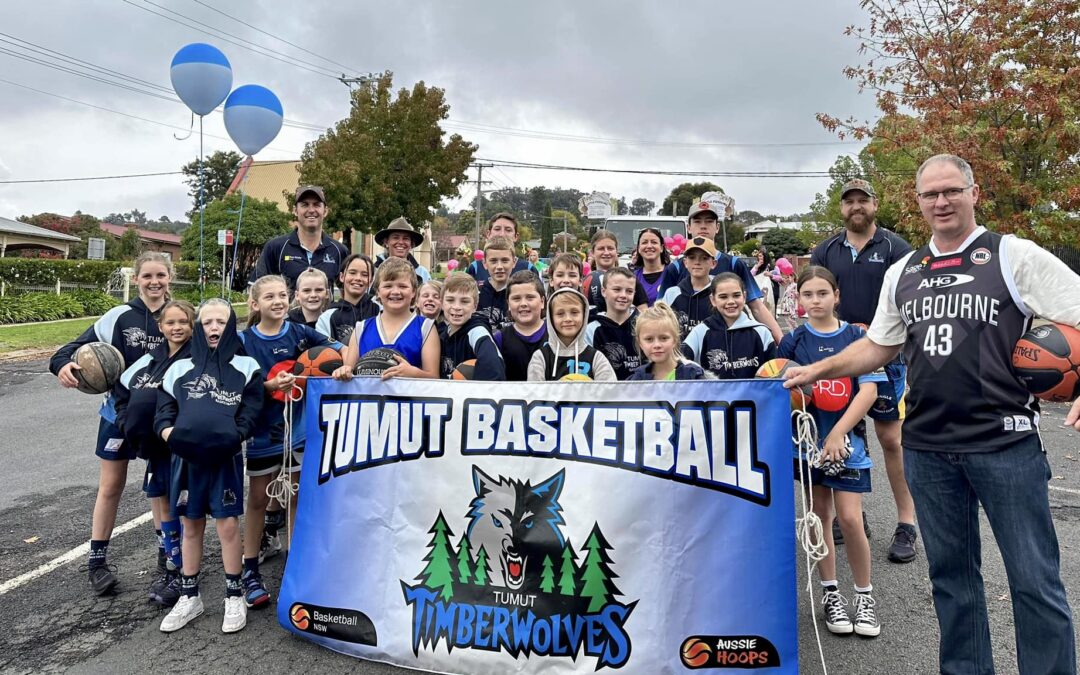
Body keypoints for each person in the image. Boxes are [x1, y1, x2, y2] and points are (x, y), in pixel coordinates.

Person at [786, 154, 1080, 674]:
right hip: (929, 447)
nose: (941, 202)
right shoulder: (905, 270)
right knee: (952, 581)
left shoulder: (1013, 255)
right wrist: (819, 368)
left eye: (951, 191)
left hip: (1005, 442)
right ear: (918, 202)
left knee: (1034, 581)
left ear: (973, 192)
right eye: (930, 194)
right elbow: (879, 345)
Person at [50, 251, 172, 595]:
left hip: (159, 417)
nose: (154, 282)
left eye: (160, 275)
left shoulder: (178, 317)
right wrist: (62, 365)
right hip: (116, 414)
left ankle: (167, 559)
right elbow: (70, 349)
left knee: (159, 489)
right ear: (136, 279)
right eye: (147, 275)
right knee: (110, 486)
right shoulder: (118, 317)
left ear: (170, 278)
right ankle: (97, 562)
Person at [811, 178, 917, 562]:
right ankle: (852, 515)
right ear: (841, 208)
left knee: (891, 439)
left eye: (863, 200)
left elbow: (911, 298)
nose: (856, 206)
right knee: (846, 435)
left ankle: (906, 522)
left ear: (875, 204)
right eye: (849, 201)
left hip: (888, 357)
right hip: (842, 360)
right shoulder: (826, 250)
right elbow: (816, 294)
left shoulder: (897, 248)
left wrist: (881, 331)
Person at [780, 266, 885, 638]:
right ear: (799, 299)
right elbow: (780, 385)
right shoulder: (793, 341)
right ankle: (831, 593)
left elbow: (869, 390)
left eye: (822, 293)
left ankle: (864, 595)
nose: (815, 301)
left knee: (851, 520)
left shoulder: (857, 337)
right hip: (808, 444)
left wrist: (838, 432)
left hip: (846, 444)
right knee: (818, 516)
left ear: (836, 296)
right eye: (807, 294)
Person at [155, 299, 262, 634]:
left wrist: (234, 436)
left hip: (224, 458)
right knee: (190, 525)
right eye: (207, 322)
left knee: (228, 525)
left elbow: (251, 411)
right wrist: (173, 435)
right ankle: (190, 595)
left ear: (230, 326)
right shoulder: (178, 368)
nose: (213, 327)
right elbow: (163, 412)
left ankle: (233, 593)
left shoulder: (246, 367)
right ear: (199, 328)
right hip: (186, 460)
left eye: (221, 322)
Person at [238, 275, 342, 608]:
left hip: (296, 429)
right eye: (270, 296)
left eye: (282, 295)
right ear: (255, 304)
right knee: (257, 498)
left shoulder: (300, 333)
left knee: (295, 495)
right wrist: (269, 388)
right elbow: (233, 382)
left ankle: (294, 566)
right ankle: (249, 568)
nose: (278, 301)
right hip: (262, 429)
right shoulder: (243, 341)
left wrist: (342, 368)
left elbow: (338, 351)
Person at [113, 299, 195, 607]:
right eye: (170, 323)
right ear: (160, 327)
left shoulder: (198, 359)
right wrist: (126, 423)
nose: (177, 328)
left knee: (183, 508)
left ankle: (186, 570)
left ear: (192, 326)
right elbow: (122, 392)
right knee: (161, 505)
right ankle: (170, 565)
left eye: (183, 322)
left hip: (182, 449)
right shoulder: (148, 360)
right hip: (154, 450)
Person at [658, 201, 783, 342]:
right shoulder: (676, 268)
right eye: (697, 221)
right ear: (689, 227)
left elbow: (756, 307)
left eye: (709, 221)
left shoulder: (734, 264)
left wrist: (782, 341)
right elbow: (660, 313)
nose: (703, 226)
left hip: (728, 347)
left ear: (717, 227)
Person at [333, 257, 440, 381]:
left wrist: (413, 373)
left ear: (414, 292)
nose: (395, 291)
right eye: (388, 286)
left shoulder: (426, 328)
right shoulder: (361, 329)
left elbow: (434, 379)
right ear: (378, 291)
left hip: (408, 398)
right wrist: (343, 371)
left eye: (403, 286)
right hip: (369, 399)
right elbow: (349, 374)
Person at [254, 186, 349, 292]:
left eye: (317, 205)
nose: (311, 210)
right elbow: (258, 290)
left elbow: (347, 292)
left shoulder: (339, 251)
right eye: (305, 205)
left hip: (325, 309)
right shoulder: (275, 247)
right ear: (295, 210)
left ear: (325, 211)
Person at [683, 273, 776, 379]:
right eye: (723, 297)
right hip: (713, 395)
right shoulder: (700, 332)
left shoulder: (762, 332)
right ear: (713, 300)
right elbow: (681, 367)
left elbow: (774, 376)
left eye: (736, 295)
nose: (731, 301)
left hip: (753, 396)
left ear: (744, 297)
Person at [527, 287, 616, 381]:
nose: (568, 319)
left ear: (584, 315)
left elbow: (608, 393)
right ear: (551, 318)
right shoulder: (540, 358)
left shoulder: (596, 358)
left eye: (574, 312)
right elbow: (535, 394)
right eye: (560, 314)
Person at [440, 274, 505, 380]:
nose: (457, 307)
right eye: (450, 300)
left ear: (475, 306)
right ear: (442, 303)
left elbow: (496, 370)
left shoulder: (477, 332)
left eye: (464, 301)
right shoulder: (441, 334)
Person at [627, 303, 708, 381]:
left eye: (664, 338)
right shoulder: (637, 380)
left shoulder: (692, 375)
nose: (657, 345)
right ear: (640, 343)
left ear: (675, 339)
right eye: (649, 339)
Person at [584, 267, 640, 380]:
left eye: (629, 291)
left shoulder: (643, 324)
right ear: (603, 291)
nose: (623, 295)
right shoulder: (591, 329)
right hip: (605, 394)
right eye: (617, 289)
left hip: (641, 393)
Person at [661, 236, 718, 337]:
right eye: (692, 257)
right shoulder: (672, 293)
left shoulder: (720, 293)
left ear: (713, 263)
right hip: (679, 352)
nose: (697, 262)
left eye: (704, 258)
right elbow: (660, 326)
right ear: (685, 262)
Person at [496, 271, 548, 381]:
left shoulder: (555, 334)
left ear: (542, 301)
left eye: (530, 297)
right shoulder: (500, 338)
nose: (523, 303)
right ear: (508, 304)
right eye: (516, 298)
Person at [316, 253, 378, 345]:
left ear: (370, 281)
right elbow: (324, 353)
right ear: (342, 277)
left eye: (364, 274)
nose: (358, 278)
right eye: (352, 273)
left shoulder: (380, 310)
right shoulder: (327, 317)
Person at [581, 230, 648, 315]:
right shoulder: (587, 281)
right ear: (592, 253)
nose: (606, 252)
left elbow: (644, 312)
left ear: (616, 251)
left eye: (610, 248)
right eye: (601, 248)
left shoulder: (629, 279)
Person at [466, 212, 538, 286]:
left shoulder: (528, 268)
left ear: (516, 236)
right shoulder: (475, 268)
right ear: (488, 234)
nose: (502, 234)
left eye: (508, 230)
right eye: (497, 229)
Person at [476, 237, 516, 331]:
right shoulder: (475, 294)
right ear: (485, 263)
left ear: (514, 262)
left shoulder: (520, 294)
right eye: (493, 261)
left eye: (505, 260)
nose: (499, 267)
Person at [373, 216, 430, 283]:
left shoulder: (422, 274)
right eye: (396, 237)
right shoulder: (374, 272)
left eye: (405, 238)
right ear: (386, 242)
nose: (401, 242)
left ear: (411, 244)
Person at [629, 227, 671, 306]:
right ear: (638, 248)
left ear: (661, 248)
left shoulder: (672, 273)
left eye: (654, 242)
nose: (649, 246)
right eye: (644, 242)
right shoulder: (633, 277)